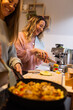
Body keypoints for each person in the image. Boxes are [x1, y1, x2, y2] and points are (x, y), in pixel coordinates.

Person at [0, 0, 22, 75]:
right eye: (10, 1)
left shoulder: (8, 28)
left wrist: (16, 63)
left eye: (15, 5)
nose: (11, 6)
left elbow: (11, 55)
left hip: (3, 81)